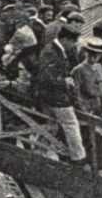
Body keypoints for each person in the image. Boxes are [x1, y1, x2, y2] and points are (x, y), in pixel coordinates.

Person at [33, 16, 87, 165]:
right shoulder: (52, 52)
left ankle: (38, 150)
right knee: (71, 123)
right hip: (53, 96)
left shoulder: (54, 49)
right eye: (73, 42)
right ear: (65, 40)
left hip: (48, 95)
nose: (74, 45)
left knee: (51, 125)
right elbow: (46, 77)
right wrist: (64, 81)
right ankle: (78, 157)